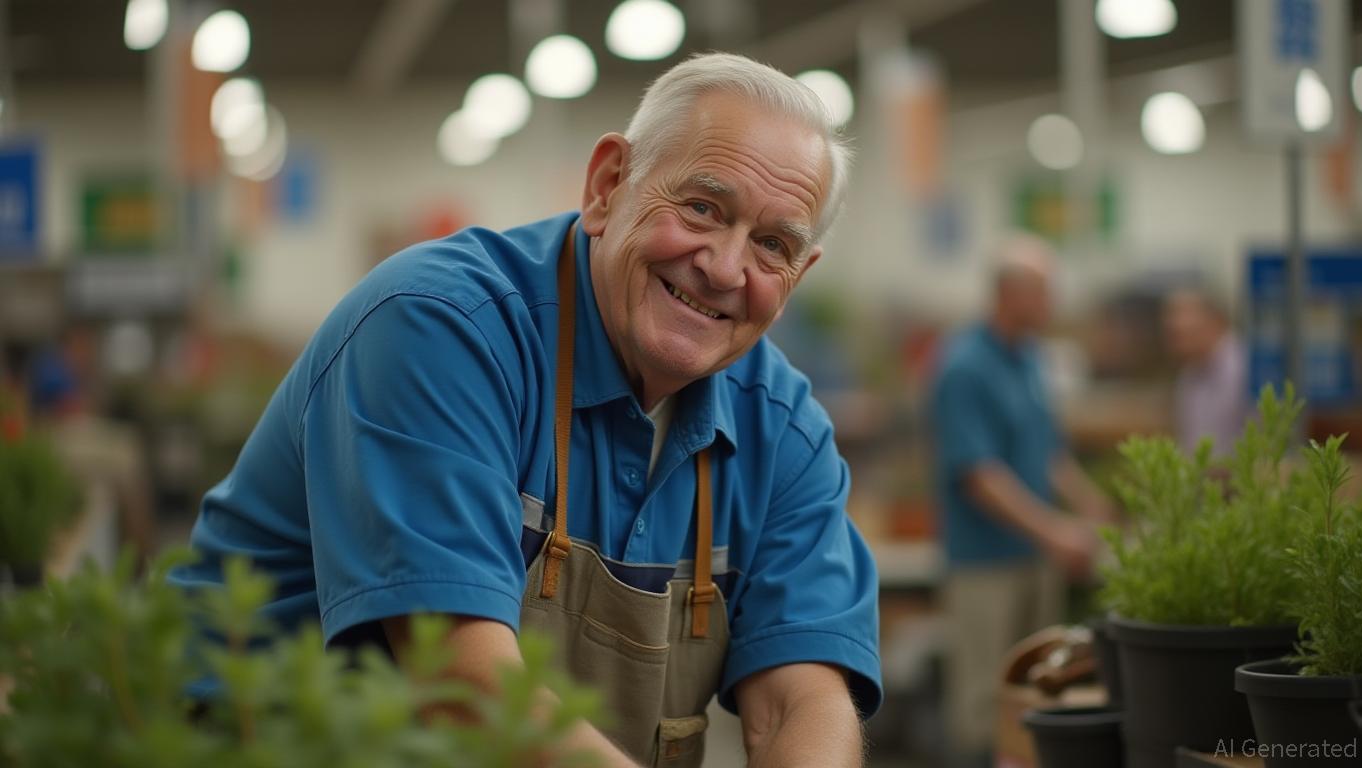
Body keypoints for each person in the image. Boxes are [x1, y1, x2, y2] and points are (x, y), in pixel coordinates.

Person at [171, 53, 880, 768]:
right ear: (608, 185)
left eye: (772, 245)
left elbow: (801, 701)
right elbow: (462, 679)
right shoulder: (441, 329)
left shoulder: (782, 428)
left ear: (798, 276)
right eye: (701, 208)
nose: (726, 269)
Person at [929, 235, 1115, 768]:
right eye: (1043, 290)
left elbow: (1047, 450)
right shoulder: (963, 367)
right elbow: (977, 474)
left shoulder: (1032, 357)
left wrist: (1089, 504)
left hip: (1034, 557)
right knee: (984, 702)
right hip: (985, 564)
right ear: (1008, 294)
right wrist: (1055, 532)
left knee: (1038, 690)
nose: (1052, 302)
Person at [1163, 287, 1249, 457]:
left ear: (1215, 320)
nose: (1173, 324)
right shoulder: (1189, 374)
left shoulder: (1242, 367)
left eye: (1182, 331)